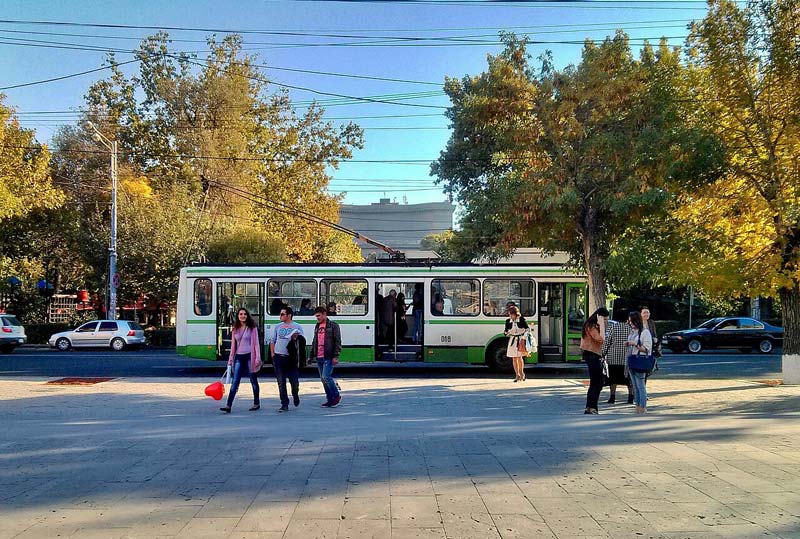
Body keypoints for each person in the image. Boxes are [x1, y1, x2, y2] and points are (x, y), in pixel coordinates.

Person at [220, 308, 261, 413]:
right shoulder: (235, 328)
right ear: (237, 316)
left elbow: (256, 344)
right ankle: (228, 405)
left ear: (247, 316)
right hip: (239, 357)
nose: (243, 316)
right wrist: (230, 360)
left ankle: (256, 403)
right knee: (235, 382)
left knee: (253, 380)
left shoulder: (252, 328)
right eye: (240, 314)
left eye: (244, 314)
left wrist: (257, 358)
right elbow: (233, 346)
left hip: (249, 356)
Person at [269, 306, 304, 412]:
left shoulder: (297, 326)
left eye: (282, 314)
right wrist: (273, 354)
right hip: (279, 357)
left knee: (294, 382)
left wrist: (295, 338)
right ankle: (284, 403)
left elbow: (302, 342)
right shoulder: (278, 327)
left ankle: (295, 394)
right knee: (281, 382)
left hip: (291, 358)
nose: (280, 316)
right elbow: (272, 341)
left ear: (289, 315)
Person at [311, 306, 342, 408]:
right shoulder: (317, 326)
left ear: (325, 314)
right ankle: (330, 399)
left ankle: (336, 396)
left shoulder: (333, 326)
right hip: (319, 356)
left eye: (319, 316)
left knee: (326, 377)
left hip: (328, 356)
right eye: (316, 316)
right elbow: (314, 341)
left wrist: (336, 356)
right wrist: (311, 355)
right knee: (323, 379)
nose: (318, 318)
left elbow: (337, 342)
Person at [580, 307, 609, 415]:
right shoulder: (592, 326)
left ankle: (591, 407)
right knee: (597, 383)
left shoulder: (590, 325)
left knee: (597, 382)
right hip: (592, 355)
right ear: (599, 317)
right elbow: (601, 339)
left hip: (593, 355)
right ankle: (591, 407)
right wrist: (601, 324)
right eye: (605, 319)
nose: (606, 322)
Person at [601, 315, 634, 405]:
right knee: (628, 379)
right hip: (626, 357)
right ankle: (630, 397)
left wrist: (603, 353)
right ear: (627, 319)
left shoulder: (612, 327)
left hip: (613, 357)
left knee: (613, 378)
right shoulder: (631, 328)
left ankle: (612, 397)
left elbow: (607, 341)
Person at [626, 310, 653, 415]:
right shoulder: (634, 332)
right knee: (635, 385)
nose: (630, 323)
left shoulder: (645, 332)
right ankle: (637, 406)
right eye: (629, 321)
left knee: (640, 385)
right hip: (632, 360)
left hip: (640, 360)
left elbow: (647, 349)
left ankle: (642, 407)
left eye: (631, 321)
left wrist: (633, 344)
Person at [504, 306, 530, 382]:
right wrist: (506, 333)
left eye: (511, 314)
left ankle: (522, 373)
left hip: (520, 340)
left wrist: (524, 337)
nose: (510, 316)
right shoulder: (508, 321)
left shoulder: (522, 320)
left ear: (516, 314)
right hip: (512, 340)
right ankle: (517, 375)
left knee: (519, 357)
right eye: (509, 314)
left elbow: (527, 329)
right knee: (514, 358)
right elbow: (506, 331)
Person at [640, 306, 660, 381]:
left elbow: (654, 334)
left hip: (650, 347)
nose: (646, 314)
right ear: (641, 314)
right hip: (640, 347)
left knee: (648, 367)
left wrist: (655, 338)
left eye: (647, 312)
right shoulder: (638, 323)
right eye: (644, 312)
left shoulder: (651, 322)